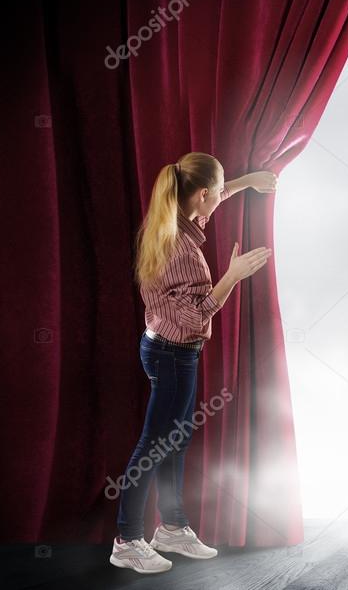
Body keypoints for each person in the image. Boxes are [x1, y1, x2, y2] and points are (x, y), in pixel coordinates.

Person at [110, 152, 276, 573]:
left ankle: (172, 527)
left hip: (163, 348)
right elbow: (195, 316)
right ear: (201, 195)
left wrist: (243, 182)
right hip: (173, 353)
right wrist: (232, 276)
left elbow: (205, 205)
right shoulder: (182, 250)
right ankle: (127, 540)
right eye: (218, 193)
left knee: (173, 442)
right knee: (152, 446)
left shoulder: (168, 220)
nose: (221, 198)